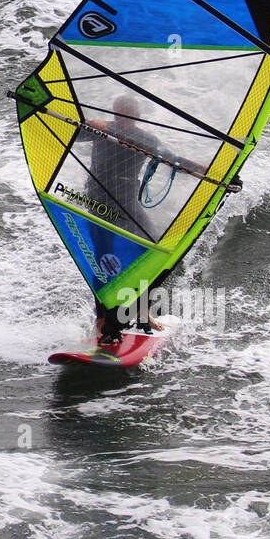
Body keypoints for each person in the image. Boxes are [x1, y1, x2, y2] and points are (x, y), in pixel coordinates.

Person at [73, 94, 171, 348]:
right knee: (103, 259)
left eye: (128, 112)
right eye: (119, 112)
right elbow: (73, 134)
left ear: (137, 115)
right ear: (114, 113)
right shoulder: (103, 130)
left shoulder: (146, 139)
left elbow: (170, 157)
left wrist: (201, 168)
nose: (123, 117)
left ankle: (140, 310)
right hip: (98, 201)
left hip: (128, 204)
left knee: (150, 252)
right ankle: (102, 321)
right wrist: (87, 123)